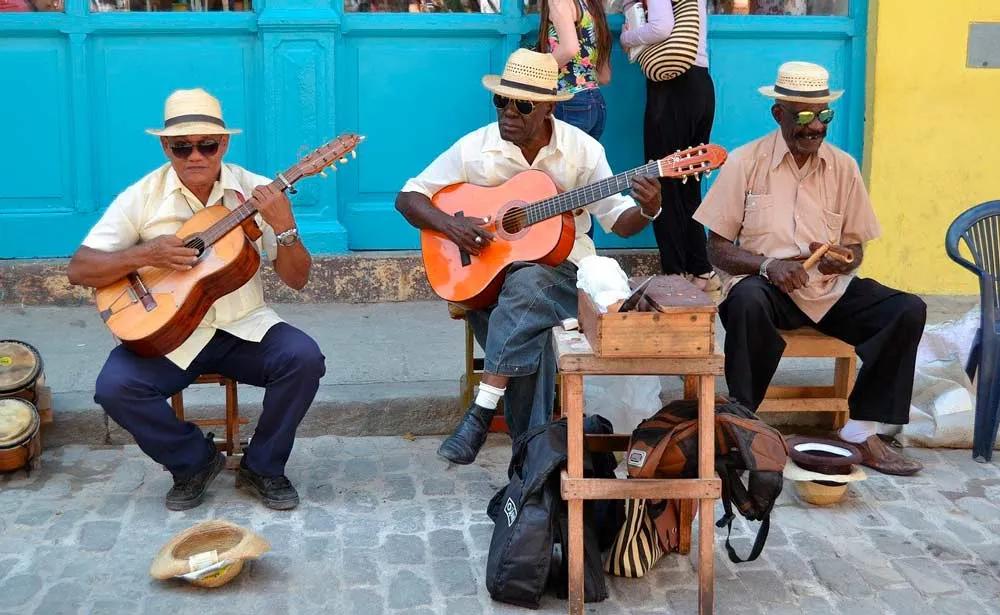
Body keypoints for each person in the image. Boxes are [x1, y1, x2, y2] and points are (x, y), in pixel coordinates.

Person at [395, 49, 663, 464]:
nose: (508, 113)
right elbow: (409, 197)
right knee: (529, 327)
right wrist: (452, 227)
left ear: (547, 109)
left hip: (565, 277)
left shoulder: (583, 151)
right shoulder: (475, 147)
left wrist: (647, 209)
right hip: (490, 284)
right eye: (501, 100)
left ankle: (485, 412)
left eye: (522, 105)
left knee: (529, 282)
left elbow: (617, 220)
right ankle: (531, 465)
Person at [67, 88, 326, 510]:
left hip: (243, 327)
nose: (195, 156)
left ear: (223, 144)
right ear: (165, 147)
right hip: (170, 335)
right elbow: (79, 269)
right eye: (181, 147)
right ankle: (193, 462)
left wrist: (285, 227)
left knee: (304, 359)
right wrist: (146, 254)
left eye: (207, 145)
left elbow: (297, 280)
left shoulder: (257, 192)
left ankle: (263, 466)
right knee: (114, 387)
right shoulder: (142, 196)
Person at [693, 61, 926, 476]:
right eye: (802, 116)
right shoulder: (745, 162)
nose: (815, 126)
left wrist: (844, 258)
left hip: (827, 290)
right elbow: (717, 248)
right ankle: (745, 426)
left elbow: (855, 247)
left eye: (823, 116)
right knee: (745, 302)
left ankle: (860, 431)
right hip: (768, 288)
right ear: (777, 114)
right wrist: (769, 265)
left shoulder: (844, 167)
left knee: (907, 309)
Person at [620, 0, 717, 292]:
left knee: (661, 182)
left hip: (673, 89)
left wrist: (627, 37)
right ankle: (701, 270)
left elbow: (661, 27)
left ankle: (675, 275)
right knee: (689, 183)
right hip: (700, 84)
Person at [538, 0, 612, 139]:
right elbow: (604, 76)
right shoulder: (591, 5)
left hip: (568, 100)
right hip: (595, 101)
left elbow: (569, 49)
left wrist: (535, 73)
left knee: (560, 153)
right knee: (584, 154)